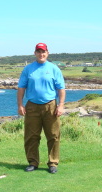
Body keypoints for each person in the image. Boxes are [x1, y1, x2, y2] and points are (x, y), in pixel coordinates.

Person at [17, 43, 66, 174]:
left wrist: (60, 105)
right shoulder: (28, 69)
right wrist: (20, 105)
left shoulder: (54, 68)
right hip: (32, 106)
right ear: (35, 53)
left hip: (50, 105)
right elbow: (21, 88)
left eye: (43, 51)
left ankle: (53, 163)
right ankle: (33, 162)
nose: (41, 54)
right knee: (31, 136)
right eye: (38, 51)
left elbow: (61, 89)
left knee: (53, 135)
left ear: (47, 53)